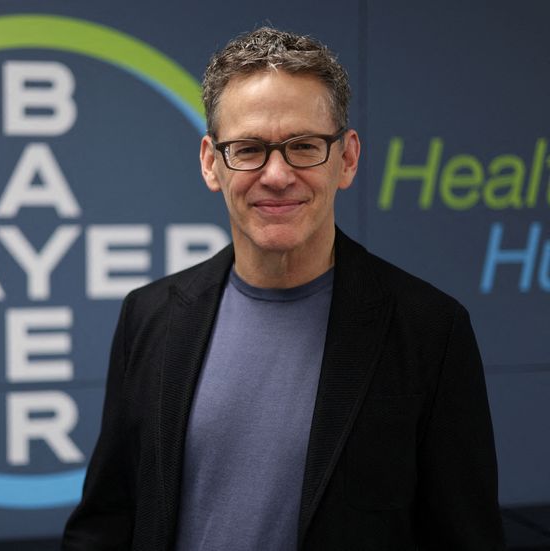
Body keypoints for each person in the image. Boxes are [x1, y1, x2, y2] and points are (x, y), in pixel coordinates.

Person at [62, 27, 505, 550]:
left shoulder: (430, 331)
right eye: (248, 149)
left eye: (303, 146)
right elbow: (106, 523)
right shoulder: (150, 316)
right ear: (211, 162)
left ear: (347, 158)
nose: (276, 175)